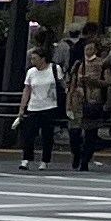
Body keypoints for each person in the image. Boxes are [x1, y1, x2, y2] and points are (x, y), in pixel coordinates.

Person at [18, 39, 65, 169]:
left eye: (35, 58)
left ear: (43, 59)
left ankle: (45, 160)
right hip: (34, 106)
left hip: (50, 106)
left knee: (47, 135)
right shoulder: (31, 72)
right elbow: (27, 90)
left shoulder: (54, 69)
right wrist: (22, 108)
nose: (32, 61)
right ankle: (26, 159)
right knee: (29, 135)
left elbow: (63, 84)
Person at [67, 37, 111, 172]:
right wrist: (69, 102)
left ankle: (85, 160)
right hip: (78, 101)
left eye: (92, 49)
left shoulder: (102, 64)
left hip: (94, 101)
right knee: (74, 132)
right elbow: (72, 85)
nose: (89, 51)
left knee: (90, 133)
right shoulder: (78, 64)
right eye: (87, 49)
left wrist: (94, 82)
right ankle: (76, 153)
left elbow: (108, 82)